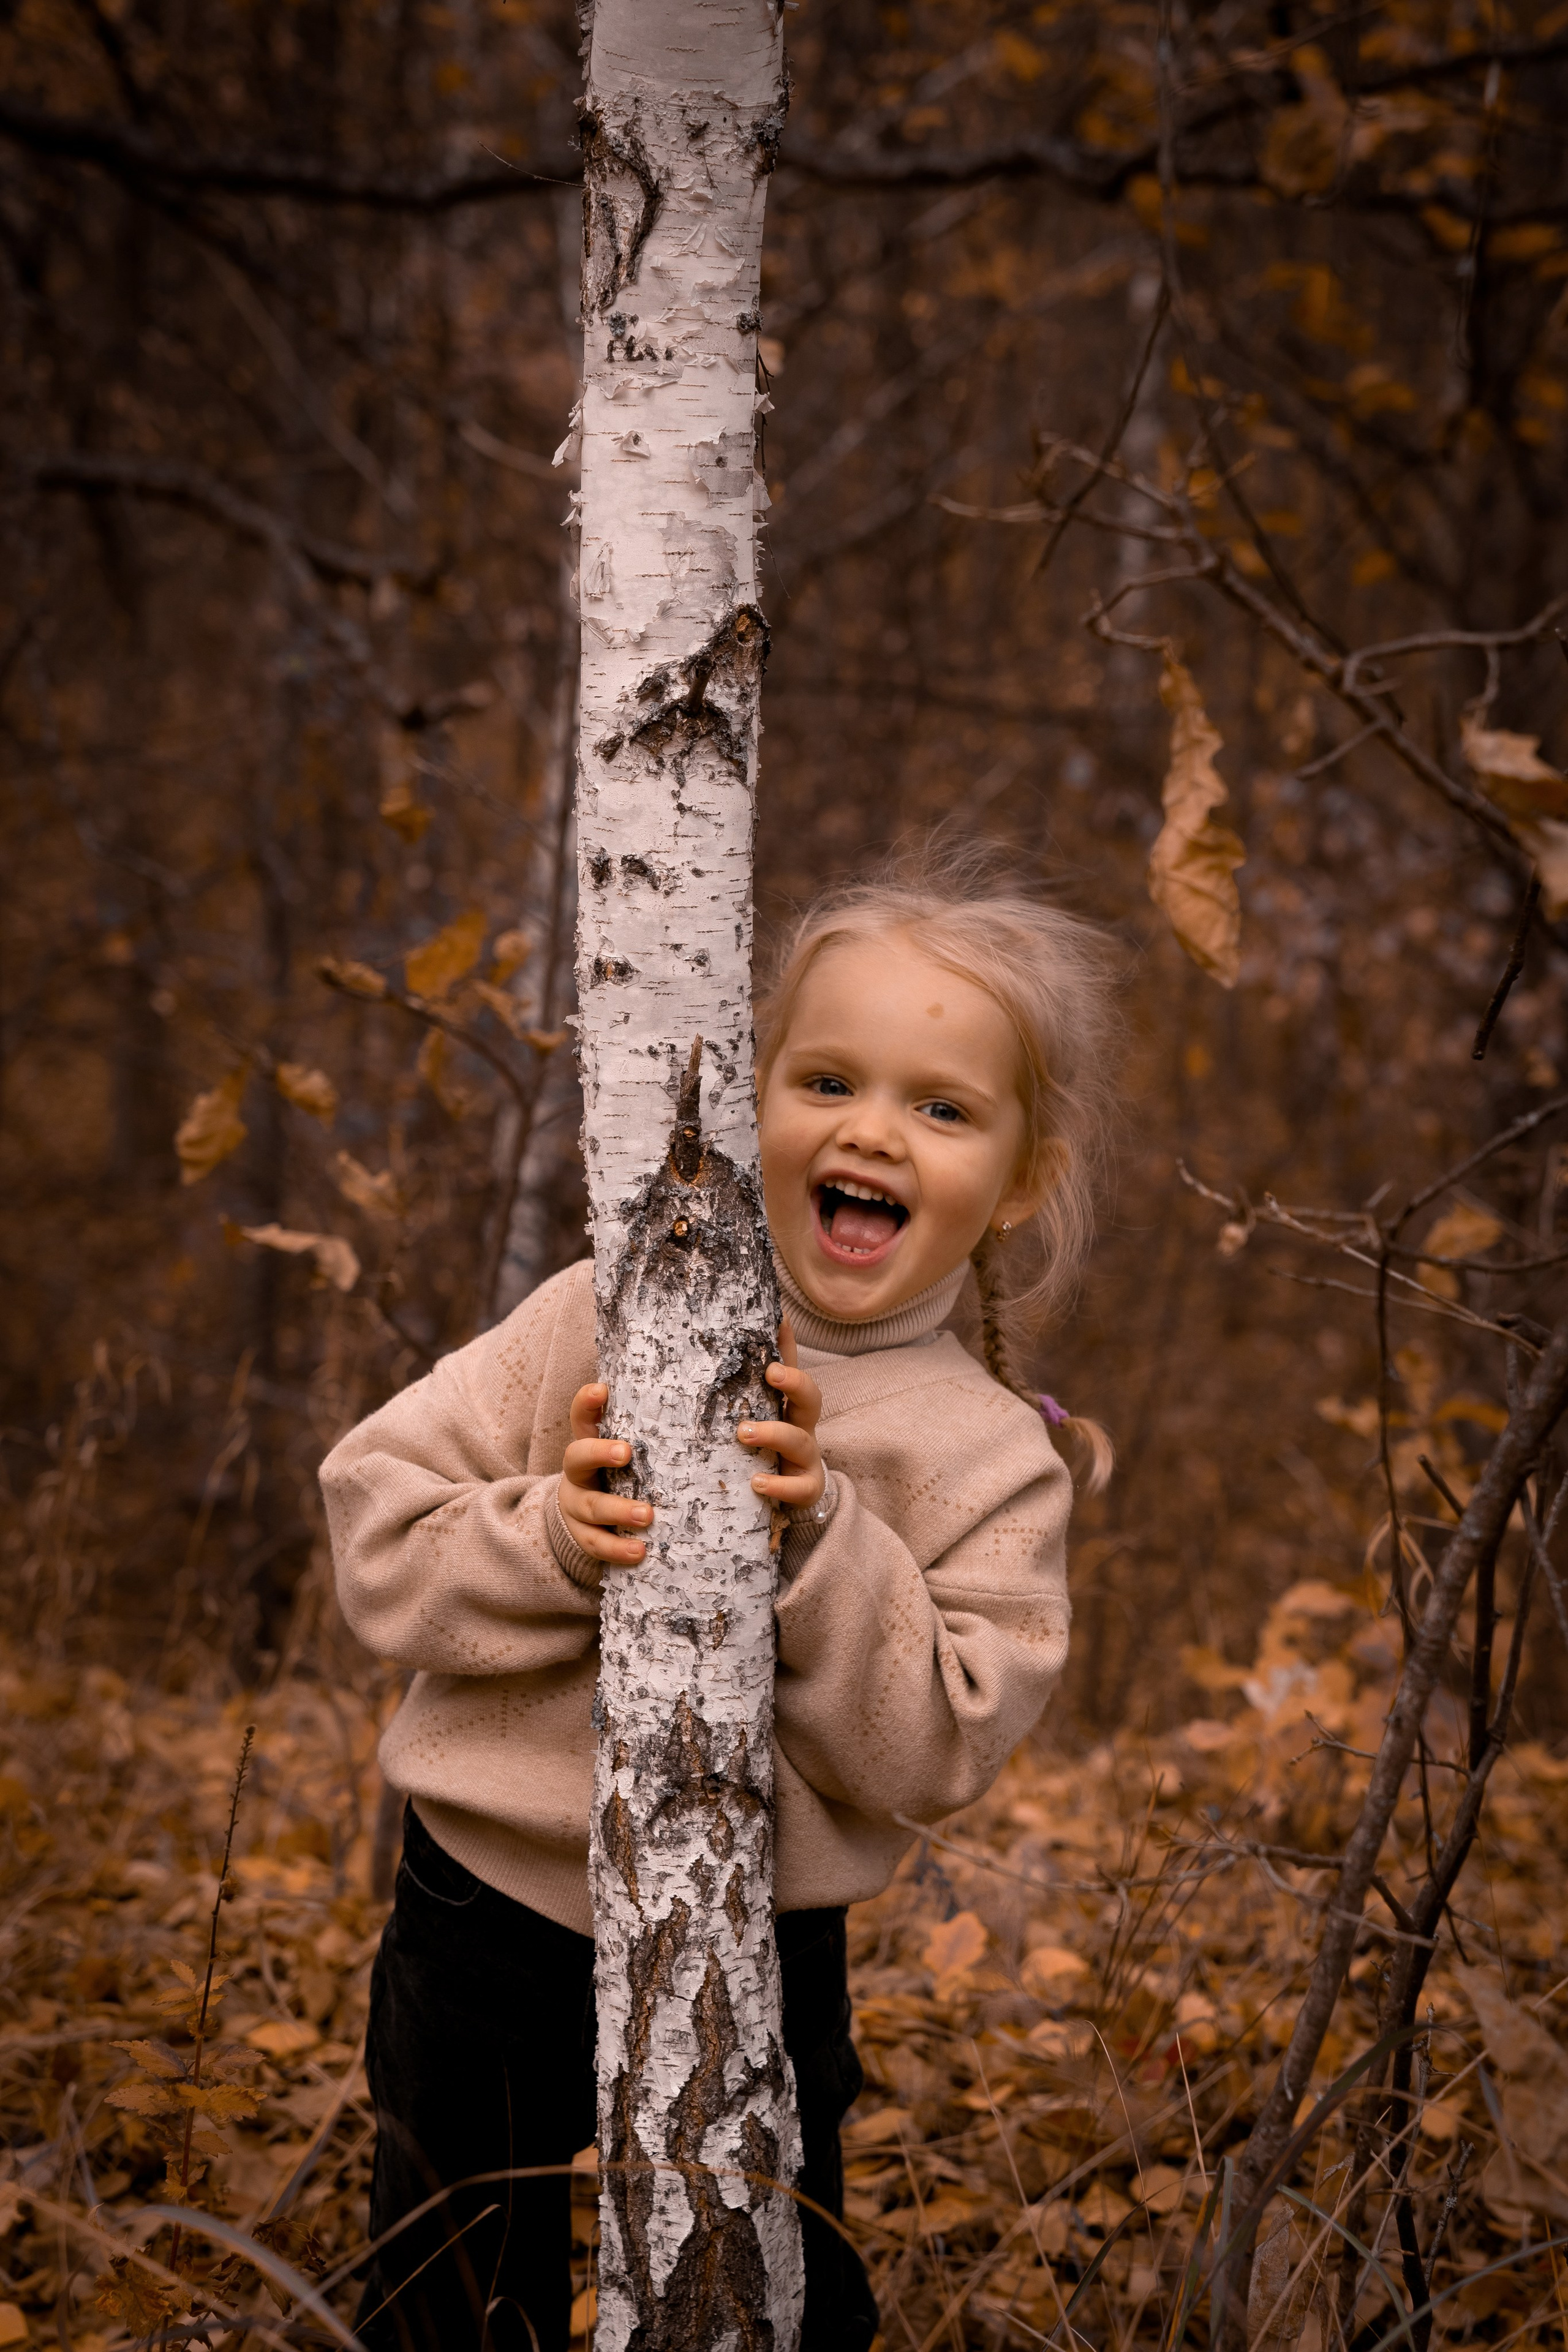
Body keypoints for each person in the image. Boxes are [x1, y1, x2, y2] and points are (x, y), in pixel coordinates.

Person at [322, 848, 1120, 2352]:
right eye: (825, 1079)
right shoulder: (596, 1310)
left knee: (772, 2294)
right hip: (485, 1897)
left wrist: (821, 1547)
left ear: (1021, 1178)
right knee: (446, 2289)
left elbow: (936, 1745)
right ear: (747, 1099)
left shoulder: (990, 1456)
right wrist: (551, 1538)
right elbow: (375, 1519)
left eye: (940, 1107)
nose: (871, 1129)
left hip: (753, 1939)